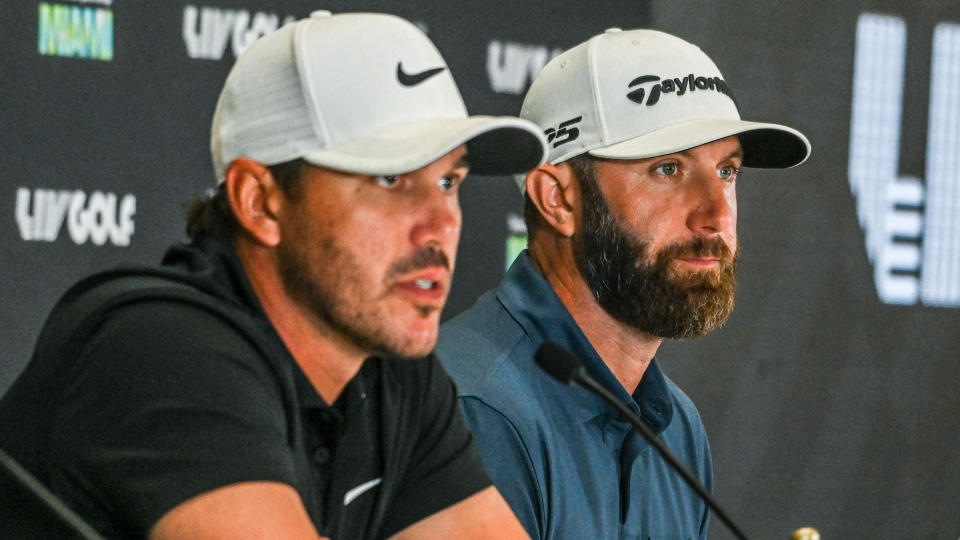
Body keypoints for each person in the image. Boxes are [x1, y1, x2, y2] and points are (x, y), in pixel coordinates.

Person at [0, 11, 547, 539]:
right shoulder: (162, 346)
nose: (441, 225)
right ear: (259, 202)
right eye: (389, 178)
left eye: (449, 182)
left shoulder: (393, 375)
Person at [436, 28, 810, 539]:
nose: (715, 215)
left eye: (727, 171)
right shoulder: (476, 411)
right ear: (558, 200)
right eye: (669, 169)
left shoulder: (676, 426)